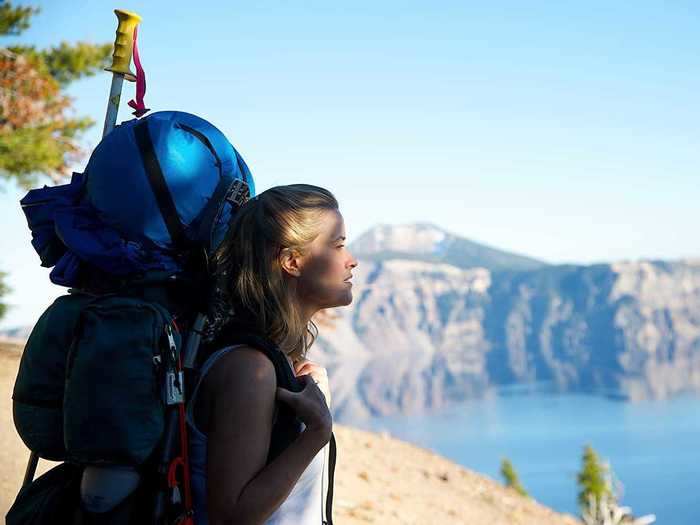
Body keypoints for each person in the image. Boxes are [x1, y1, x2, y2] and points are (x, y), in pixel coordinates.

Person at [186, 184, 359, 524]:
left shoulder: (273, 363)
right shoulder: (249, 369)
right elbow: (231, 515)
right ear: (292, 261)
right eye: (338, 245)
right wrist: (316, 432)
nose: (351, 259)